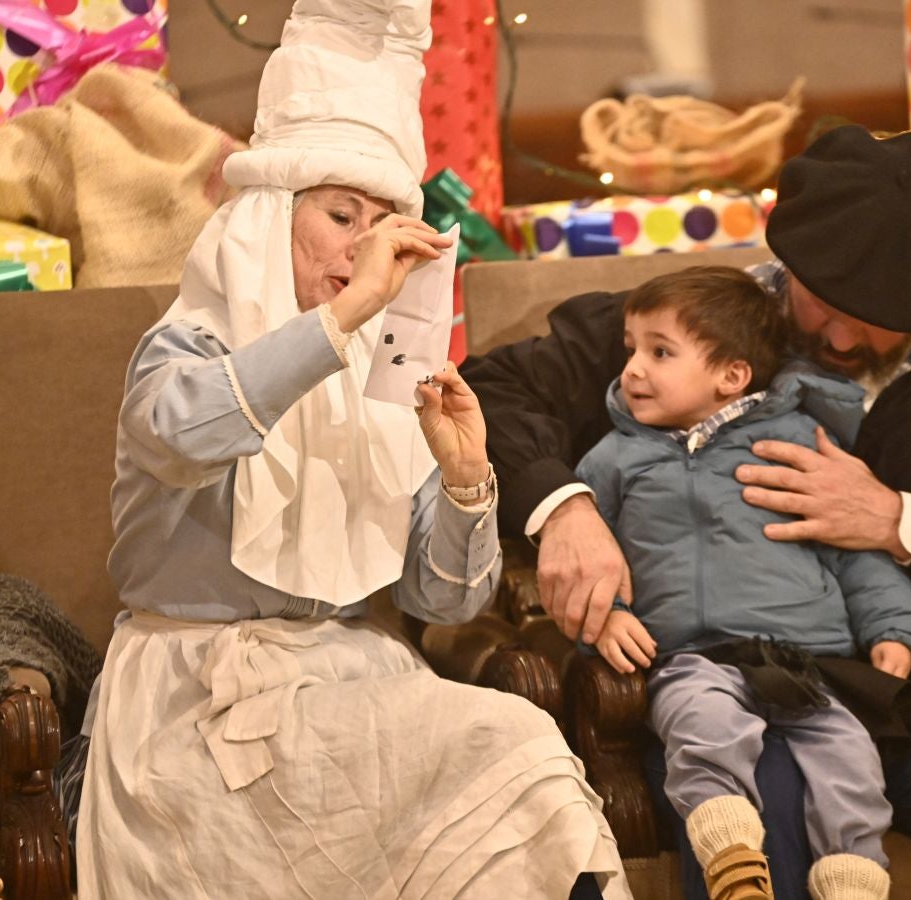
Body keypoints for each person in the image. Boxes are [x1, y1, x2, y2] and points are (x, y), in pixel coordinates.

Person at [461, 125, 911, 900]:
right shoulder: (686, 334)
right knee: (756, 792)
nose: (842, 335)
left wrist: (899, 522)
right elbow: (491, 393)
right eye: (824, 303)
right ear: (792, 263)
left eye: (879, 318)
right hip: (722, 684)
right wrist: (566, 506)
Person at [76, 2, 630, 898]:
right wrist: (339, 321)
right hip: (197, 705)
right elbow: (180, 437)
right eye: (339, 216)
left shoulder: (377, 386)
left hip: (353, 677)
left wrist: (463, 485)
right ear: (267, 220)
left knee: (522, 760)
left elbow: (437, 597)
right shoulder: (186, 351)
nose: (364, 249)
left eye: (382, 227)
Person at [578, 266, 911, 900]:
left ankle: (851, 881)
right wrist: (609, 616)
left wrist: (893, 628)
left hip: (810, 663)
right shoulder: (614, 459)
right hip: (693, 657)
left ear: (731, 376)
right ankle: (731, 854)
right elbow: (585, 564)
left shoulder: (796, 445)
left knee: (851, 764)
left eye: (659, 352)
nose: (632, 368)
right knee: (701, 725)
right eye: (630, 348)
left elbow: (855, 551)